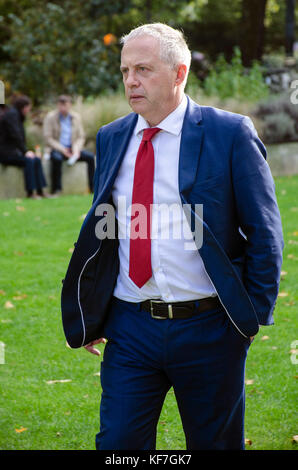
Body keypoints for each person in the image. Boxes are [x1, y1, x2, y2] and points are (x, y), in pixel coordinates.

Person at [61, 24, 284, 450]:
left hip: (209, 327)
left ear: (179, 72)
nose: (131, 80)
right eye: (125, 70)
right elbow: (106, 230)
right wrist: (93, 310)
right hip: (130, 328)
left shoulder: (229, 132)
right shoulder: (111, 137)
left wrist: (248, 317)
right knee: (119, 445)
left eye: (143, 69)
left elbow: (264, 231)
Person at [43, 95, 95, 196]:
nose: (63, 109)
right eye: (61, 106)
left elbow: (81, 136)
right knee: (56, 159)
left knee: (90, 157)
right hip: (57, 149)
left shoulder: (76, 117)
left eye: (65, 106)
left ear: (70, 105)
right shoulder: (50, 117)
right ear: (58, 105)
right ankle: (56, 190)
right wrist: (62, 149)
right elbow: (48, 138)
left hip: (73, 149)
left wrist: (76, 149)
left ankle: (93, 188)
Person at [0, 95, 48, 199]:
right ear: (23, 107)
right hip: (5, 153)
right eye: (28, 108)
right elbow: (15, 135)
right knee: (29, 160)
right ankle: (30, 193)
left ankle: (41, 191)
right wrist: (25, 151)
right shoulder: (12, 115)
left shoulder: (17, 116)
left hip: (14, 152)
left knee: (36, 159)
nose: (29, 110)